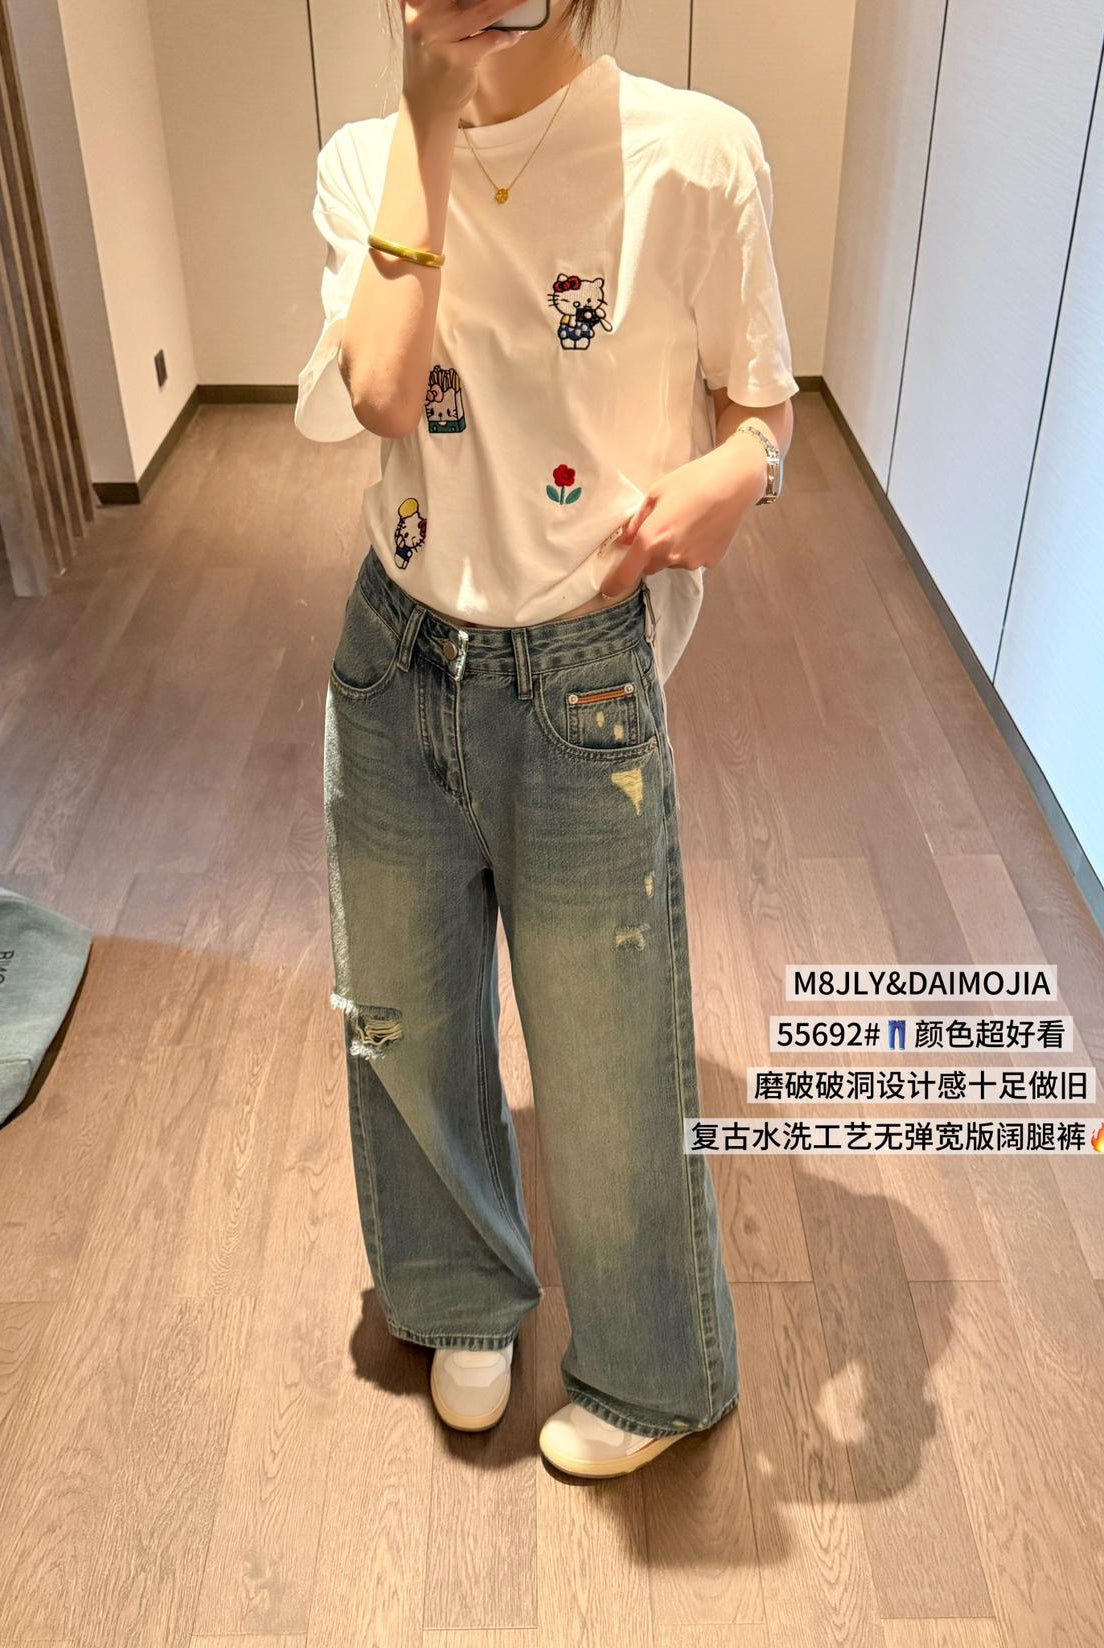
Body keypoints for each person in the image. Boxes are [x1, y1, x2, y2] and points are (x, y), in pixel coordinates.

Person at [294, 0, 798, 1478]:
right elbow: (382, 393)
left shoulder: (695, 155)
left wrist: (742, 473)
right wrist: (426, 118)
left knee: (611, 1048)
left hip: (582, 669)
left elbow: (763, 406)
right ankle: (459, 1297)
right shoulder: (366, 159)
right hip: (395, 653)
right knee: (403, 1016)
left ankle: (655, 1375)